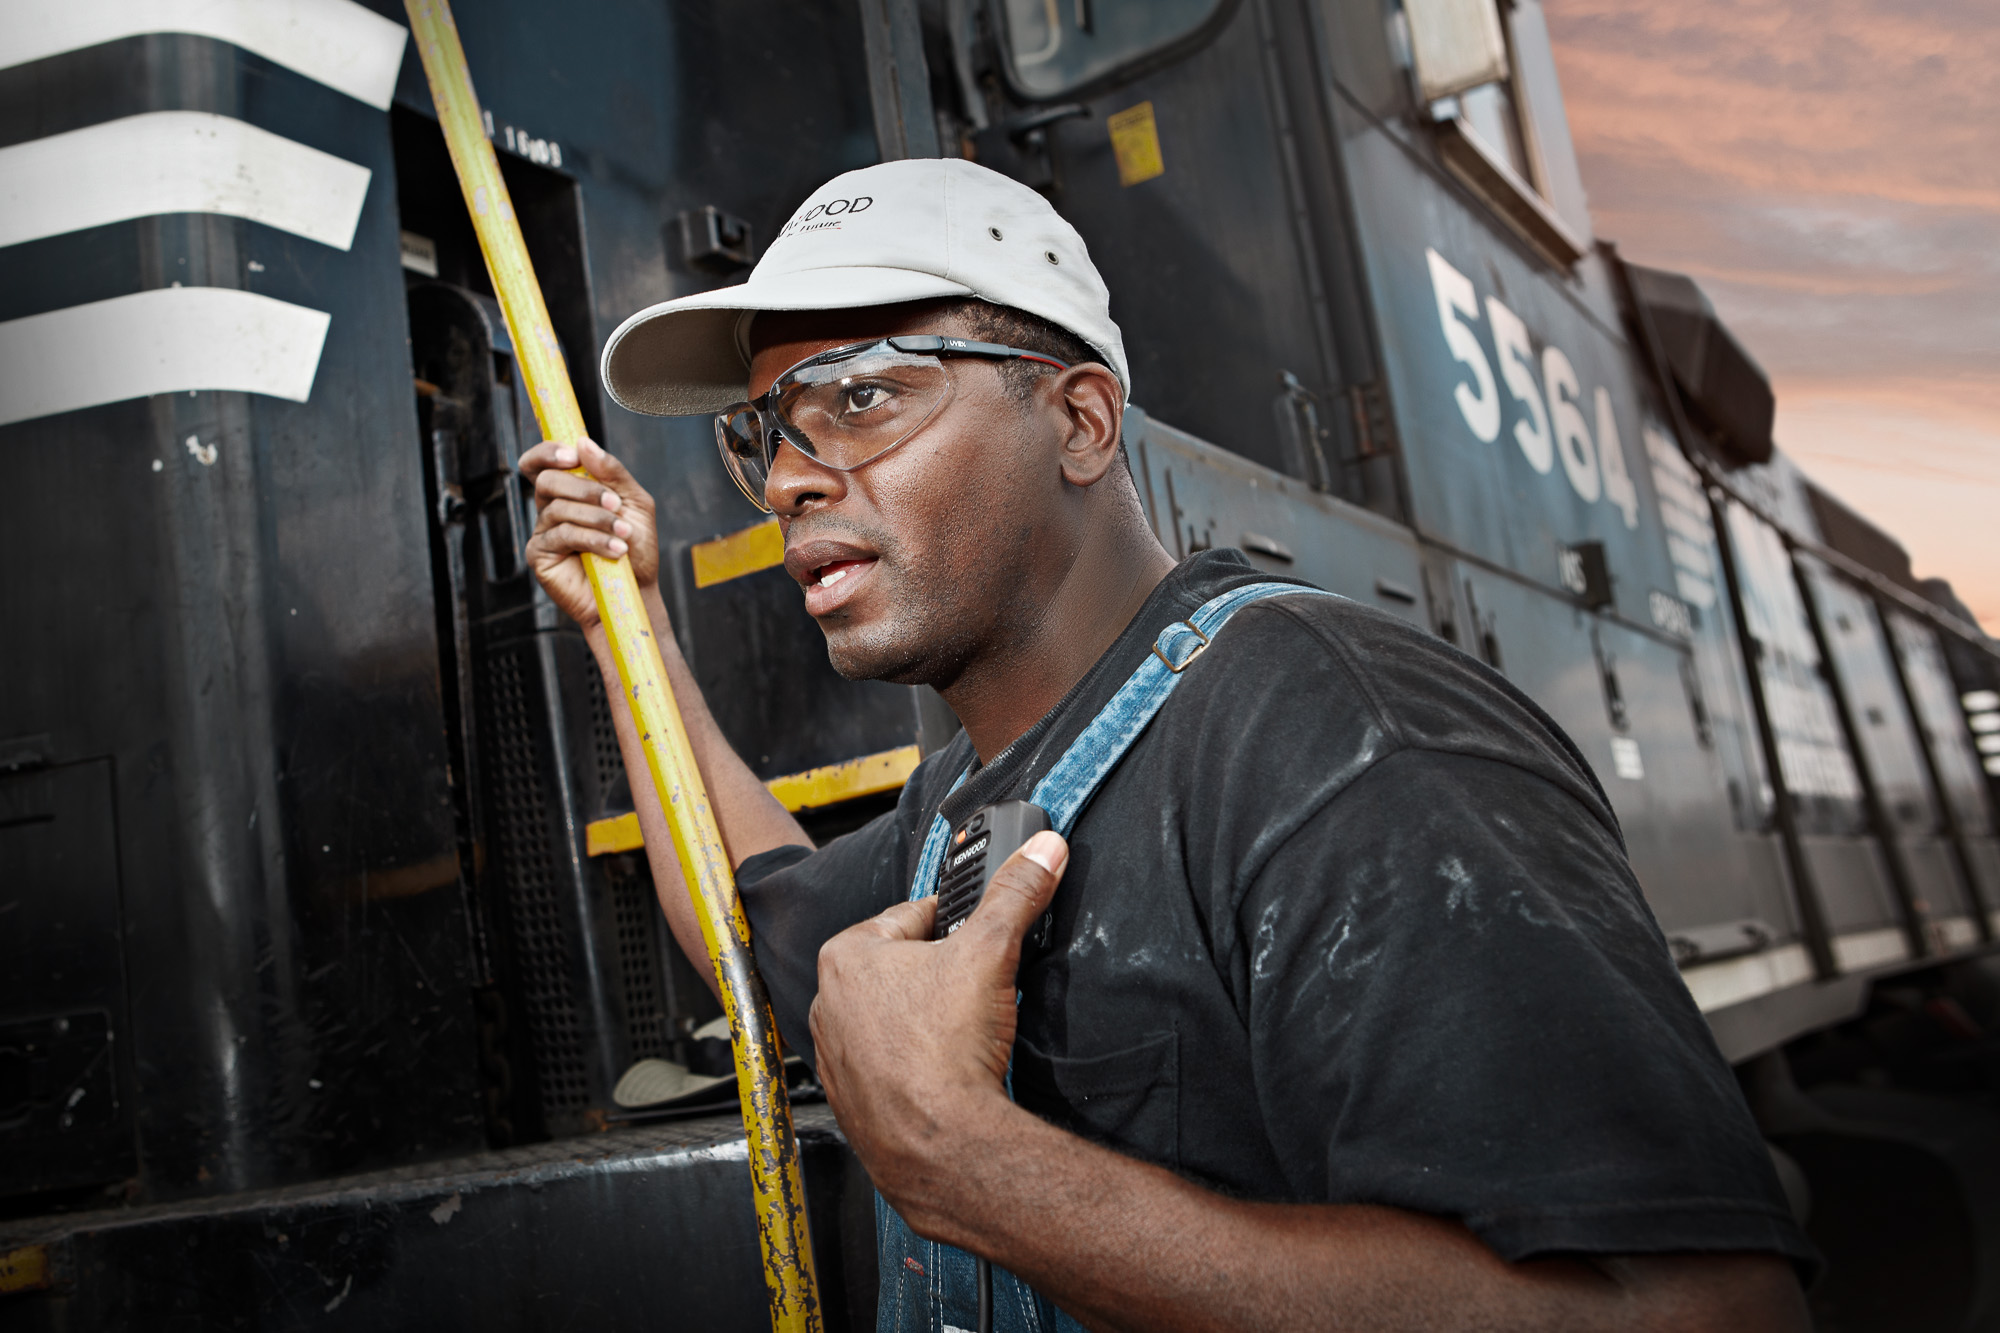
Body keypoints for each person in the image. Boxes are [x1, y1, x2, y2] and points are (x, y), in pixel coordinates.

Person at [520, 158, 1812, 1331]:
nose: (792, 478)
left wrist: (974, 1167)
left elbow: (1703, 1312)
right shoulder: (966, 803)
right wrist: (632, 633)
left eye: (863, 397)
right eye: (764, 432)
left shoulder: (1340, 740)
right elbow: (756, 933)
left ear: (1082, 421)